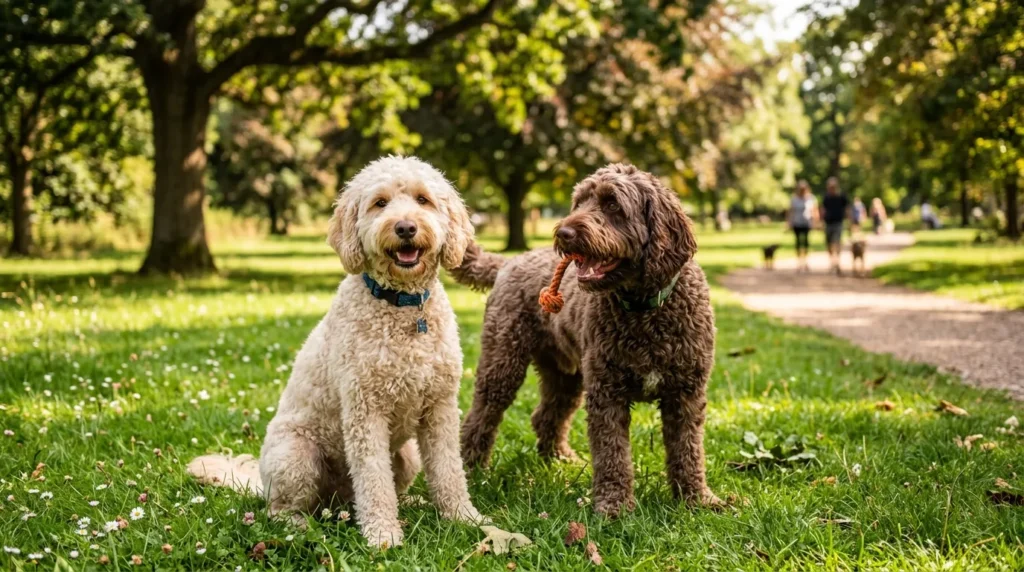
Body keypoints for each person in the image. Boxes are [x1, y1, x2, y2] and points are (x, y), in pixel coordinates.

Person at [820, 177, 849, 275]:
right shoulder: (826, 197)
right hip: (828, 222)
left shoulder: (841, 196)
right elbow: (823, 209)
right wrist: (820, 221)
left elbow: (847, 208)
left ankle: (837, 262)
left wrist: (849, 221)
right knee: (829, 244)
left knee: (836, 242)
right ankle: (832, 261)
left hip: (838, 222)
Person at [788, 179, 817, 272]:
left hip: (806, 222)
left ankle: (806, 261)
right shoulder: (794, 199)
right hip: (797, 222)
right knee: (798, 243)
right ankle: (799, 262)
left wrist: (815, 221)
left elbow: (814, 210)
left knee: (806, 243)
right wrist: (789, 222)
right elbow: (791, 211)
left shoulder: (811, 198)